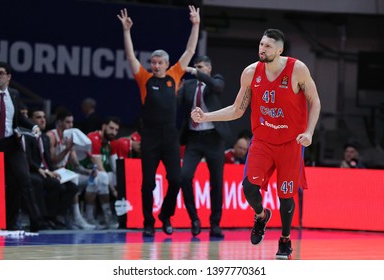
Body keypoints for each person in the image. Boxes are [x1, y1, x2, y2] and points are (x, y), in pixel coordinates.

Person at [191, 29, 321, 259]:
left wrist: (309, 133)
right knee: (249, 188)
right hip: (262, 141)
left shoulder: (297, 69)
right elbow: (236, 109)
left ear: (279, 50)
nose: (262, 49)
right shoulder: (251, 73)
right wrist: (206, 117)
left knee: (286, 196)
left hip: (291, 143)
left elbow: (315, 102)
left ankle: (285, 240)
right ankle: (261, 216)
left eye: (268, 46)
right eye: (261, 44)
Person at [117, 5, 200, 237]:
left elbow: (191, 50)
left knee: (176, 180)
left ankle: (165, 215)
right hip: (150, 138)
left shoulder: (175, 75)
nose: (154, 66)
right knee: (148, 184)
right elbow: (130, 56)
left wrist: (196, 24)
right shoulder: (144, 79)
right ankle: (148, 222)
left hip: (170, 137)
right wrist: (126, 31)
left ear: (166, 63)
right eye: (152, 62)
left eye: (158, 63)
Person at [178, 55, 230, 238]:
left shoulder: (216, 81)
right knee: (184, 177)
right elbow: (177, 104)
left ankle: (215, 223)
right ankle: (194, 219)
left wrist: (195, 72)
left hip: (214, 138)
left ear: (209, 68)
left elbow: (218, 87)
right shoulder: (190, 87)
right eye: (195, 67)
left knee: (216, 182)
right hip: (194, 138)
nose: (196, 70)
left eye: (200, 67)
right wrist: (176, 91)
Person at [0, 61, 47, 232]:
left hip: (11, 144)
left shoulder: (14, 94)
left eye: (1, 73)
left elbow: (19, 118)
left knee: (24, 180)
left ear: (8, 77)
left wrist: (33, 126)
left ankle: (36, 223)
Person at [24, 107, 78, 229]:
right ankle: (45, 218)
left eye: (44, 117)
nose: (42, 120)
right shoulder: (27, 137)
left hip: (46, 171)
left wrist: (55, 171)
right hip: (35, 171)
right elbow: (28, 158)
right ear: (30, 120)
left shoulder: (44, 137)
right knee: (55, 184)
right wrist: (41, 170)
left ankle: (57, 216)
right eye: (38, 117)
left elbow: (48, 160)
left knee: (72, 187)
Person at [46, 108, 96, 230]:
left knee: (84, 181)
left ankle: (73, 216)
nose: (71, 125)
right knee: (73, 182)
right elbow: (52, 161)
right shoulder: (51, 136)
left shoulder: (69, 137)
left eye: (72, 122)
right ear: (59, 122)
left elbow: (76, 164)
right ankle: (75, 218)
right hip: (51, 170)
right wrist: (67, 149)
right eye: (68, 122)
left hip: (63, 172)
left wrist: (88, 172)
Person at [80, 116, 121, 229]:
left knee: (117, 177)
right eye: (111, 128)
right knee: (100, 177)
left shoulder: (110, 143)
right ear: (104, 126)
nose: (113, 132)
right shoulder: (93, 139)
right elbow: (99, 167)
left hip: (94, 174)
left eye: (116, 130)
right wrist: (113, 190)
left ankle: (111, 216)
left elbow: (115, 168)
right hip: (80, 173)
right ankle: (89, 217)